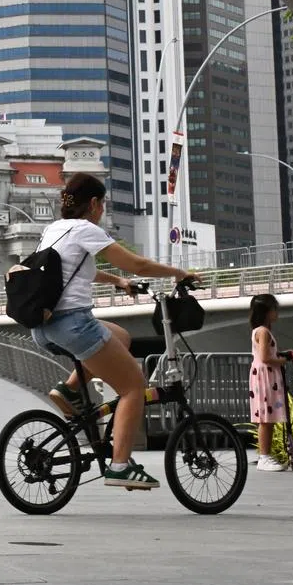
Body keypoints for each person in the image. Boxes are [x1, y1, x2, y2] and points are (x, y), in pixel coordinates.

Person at [29, 172, 199, 491]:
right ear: (93, 203)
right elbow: (138, 265)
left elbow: (74, 272)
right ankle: (120, 465)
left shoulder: (54, 230)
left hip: (44, 326)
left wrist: (118, 282)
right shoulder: (86, 229)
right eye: (103, 203)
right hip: (73, 324)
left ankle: (68, 390)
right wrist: (179, 273)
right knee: (134, 385)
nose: (103, 209)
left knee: (120, 336)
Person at [249, 293, 289, 472]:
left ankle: (265, 455)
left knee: (268, 418)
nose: (276, 312)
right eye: (274, 309)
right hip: (266, 376)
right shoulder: (263, 332)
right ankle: (264, 457)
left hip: (265, 376)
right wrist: (283, 361)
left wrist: (283, 354)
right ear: (266, 312)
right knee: (266, 418)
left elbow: (267, 355)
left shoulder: (261, 331)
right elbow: (265, 358)